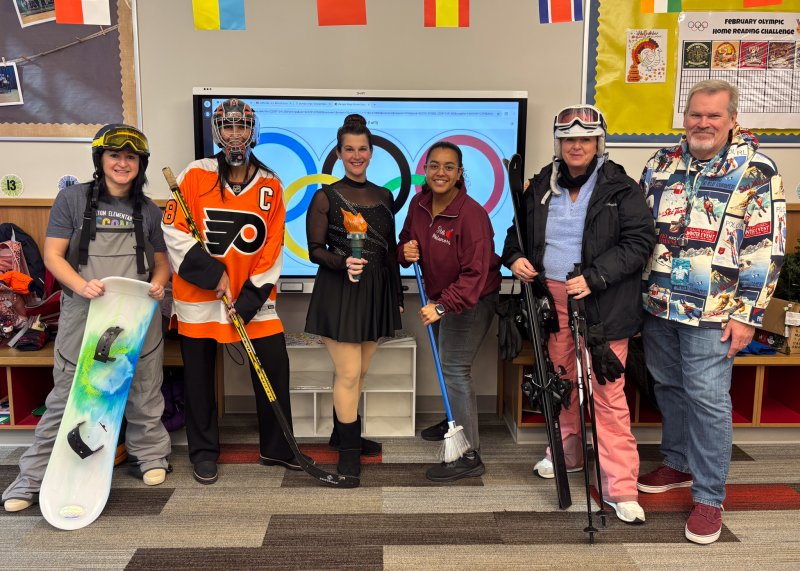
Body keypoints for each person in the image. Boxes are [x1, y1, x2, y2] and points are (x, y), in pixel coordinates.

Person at [638, 80, 785, 544]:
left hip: (715, 311)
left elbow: (766, 250)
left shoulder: (757, 170)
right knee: (668, 385)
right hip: (659, 303)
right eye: (696, 114)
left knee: (708, 400)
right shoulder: (661, 163)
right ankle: (678, 462)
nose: (703, 123)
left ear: (732, 119)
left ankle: (708, 497)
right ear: (685, 118)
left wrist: (747, 315)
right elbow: (638, 230)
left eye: (713, 116)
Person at [3, 124, 172, 512]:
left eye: (131, 157)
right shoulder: (73, 199)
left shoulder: (149, 210)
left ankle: (151, 456)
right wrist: (81, 285)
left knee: (144, 387)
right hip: (85, 309)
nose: (122, 163)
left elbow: (162, 264)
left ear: (141, 164)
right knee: (68, 395)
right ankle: (31, 477)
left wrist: (159, 285)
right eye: (114, 155)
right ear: (100, 159)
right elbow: (52, 256)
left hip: (136, 312)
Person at [501, 105, 656, 523]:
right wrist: (515, 258)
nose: (576, 146)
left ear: (598, 143)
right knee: (561, 382)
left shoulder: (621, 188)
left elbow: (639, 243)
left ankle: (620, 487)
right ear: (559, 143)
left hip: (601, 301)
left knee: (606, 392)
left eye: (585, 139)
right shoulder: (540, 186)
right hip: (552, 299)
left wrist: (595, 276)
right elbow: (515, 235)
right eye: (568, 139)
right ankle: (566, 454)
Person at [162, 99, 304, 485]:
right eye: (228, 126)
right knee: (198, 380)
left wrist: (249, 299)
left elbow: (272, 247)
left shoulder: (271, 183)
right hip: (199, 299)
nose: (235, 134)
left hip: (251, 299)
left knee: (274, 366)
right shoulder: (195, 174)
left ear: (253, 132)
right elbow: (173, 230)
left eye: (242, 126)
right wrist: (212, 274)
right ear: (217, 131)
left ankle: (277, 448)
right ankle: (203, 453)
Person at [305, 114, 403, 483]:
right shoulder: (325, 196)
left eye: (362, 149)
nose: (356, 155)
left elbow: (389, 250)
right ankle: (348, 453)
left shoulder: (384, 196)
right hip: (340, 292)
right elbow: (315, 251)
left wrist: (396, 295)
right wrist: (343, 262)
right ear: (339, 153)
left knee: (359, 372)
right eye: (349, 149)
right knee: (348, 374)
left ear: (371, 152)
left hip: (376, 292)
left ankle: (342, 433)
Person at [398, 140, 501, 482]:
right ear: (425, 171)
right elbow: (404, 242)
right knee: (447, 365)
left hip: (472, 300)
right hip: (440, 298)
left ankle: (469, 455)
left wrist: (443, 306)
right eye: (434, 165)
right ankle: (455, 419)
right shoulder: (419, 204)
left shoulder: (472, 215)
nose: (440, 172)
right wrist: (405, 250)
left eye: (448, 167)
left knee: (455, 368)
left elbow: (474, 276)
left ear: (459, 174)